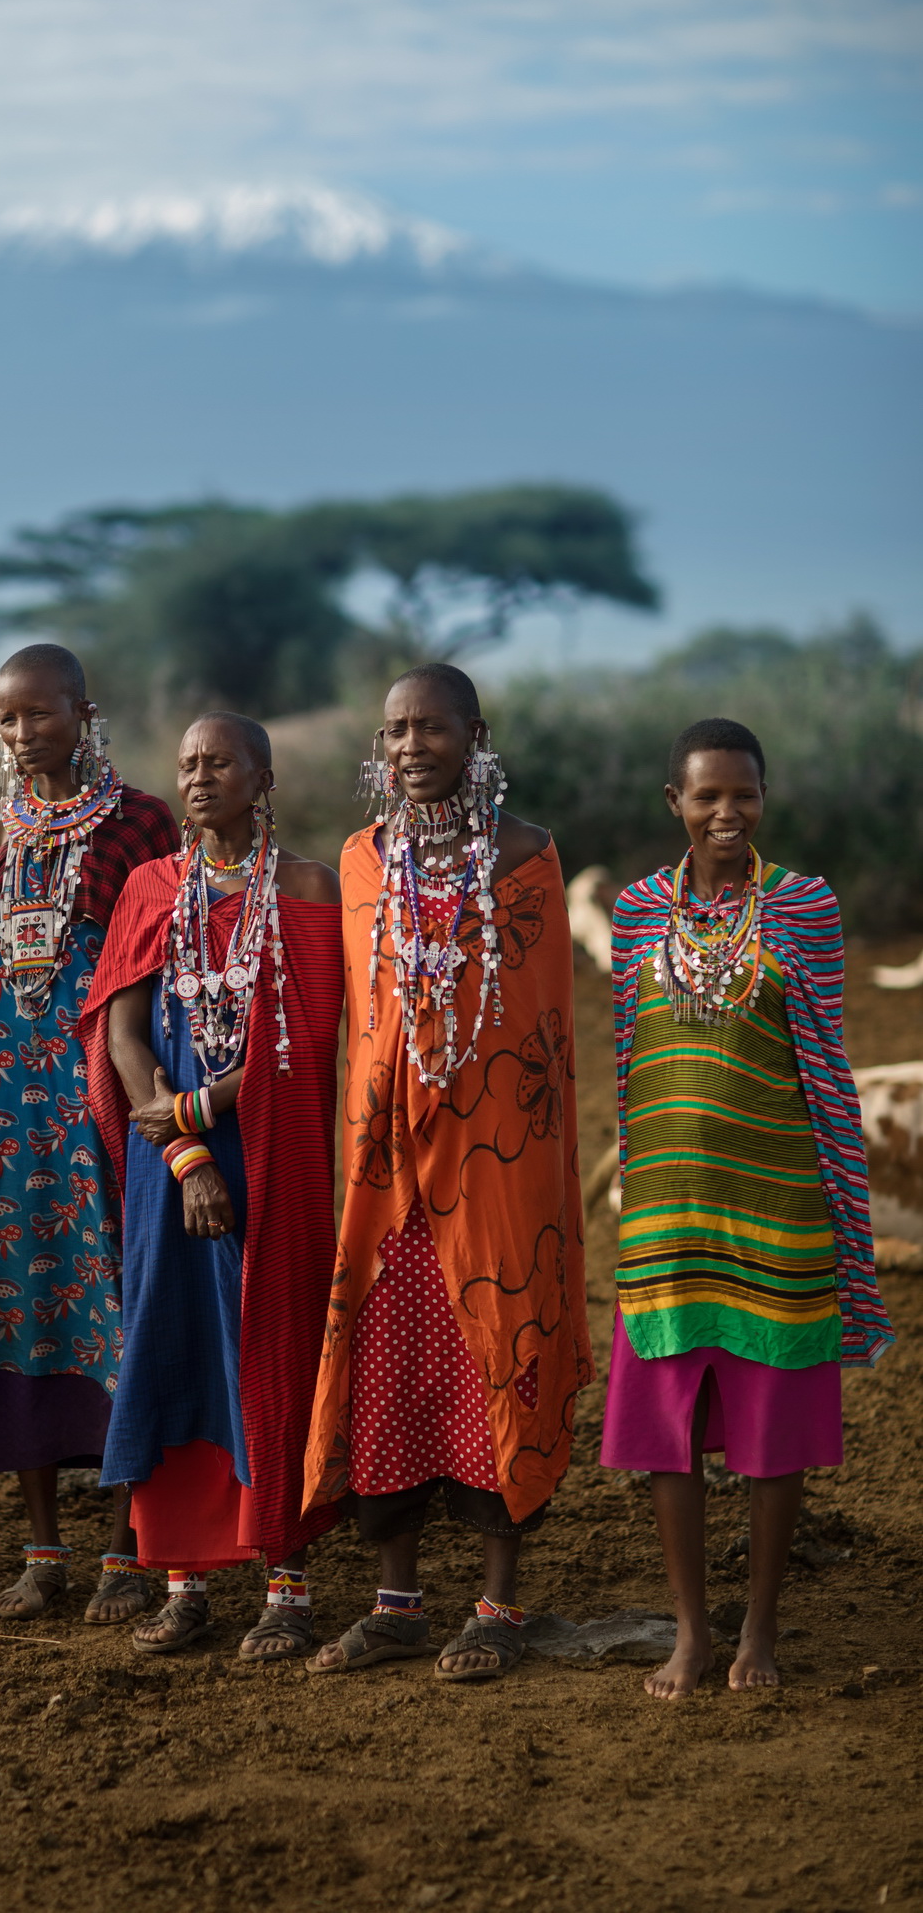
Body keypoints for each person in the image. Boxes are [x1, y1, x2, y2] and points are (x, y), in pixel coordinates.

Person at [303, 664, 592, 1681]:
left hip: (497, 1166)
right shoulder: (358, 862)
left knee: (496, 1354)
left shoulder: (525, 860)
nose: (410, 746)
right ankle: (395, 1603)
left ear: (475, 736)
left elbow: (542, 1035)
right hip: (386, 1176)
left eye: (430, 728)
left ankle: (498, 1607)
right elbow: (363, 1023)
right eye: (394, 731)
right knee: (389, 1363)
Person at [601, 717, 893, 1698]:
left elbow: (823, 1061)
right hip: (665, 1219)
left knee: (773, 1440)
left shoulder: (804, 906)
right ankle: (690, 1631)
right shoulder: (638, 912)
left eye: (745, 794)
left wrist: (847, 1212)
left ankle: (757, 1630)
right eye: (707, 795)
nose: (727, 812)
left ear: (763, 800)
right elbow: (629, 1063)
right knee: (666, 1438)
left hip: (779, 1213)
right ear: (673, 803)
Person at [81, 712, 343, 1658]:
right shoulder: (153, 888)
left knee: (270, 1343)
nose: (197, 778)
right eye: (187, 763)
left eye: (218, 762)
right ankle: (184, 1582)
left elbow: (311, 1043)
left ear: (261, 777)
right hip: (171, 1169)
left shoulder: (311, 889)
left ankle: (286, 1581)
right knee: (173, 1343)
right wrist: (185, 1150)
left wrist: (198, 1114)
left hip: (271, 1152)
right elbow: (123, 1034)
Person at [0, 643, 178, 1623]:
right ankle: (42, 1549)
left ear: (83, 714)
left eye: (36, 715)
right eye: (5, 719)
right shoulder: (3, 825)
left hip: (98, 1097)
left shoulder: (140, 822)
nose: (19, 735)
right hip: (6, 1111)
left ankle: (132, 1548)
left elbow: (164, 972)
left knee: (117, 1298)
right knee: (22, 1300)